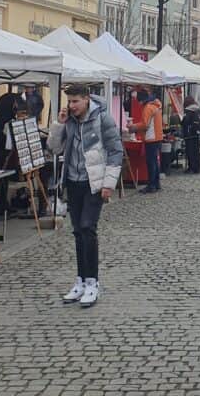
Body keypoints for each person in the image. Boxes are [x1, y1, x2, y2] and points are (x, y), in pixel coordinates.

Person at [48, 86, 123, 308]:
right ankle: (80, 280)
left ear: (86, 100)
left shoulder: (103, 118)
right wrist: (59, 124)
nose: (71, 106)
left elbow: (115, 150)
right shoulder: (69, 121)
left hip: (94, 183)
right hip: (72, 182)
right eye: (69, 102)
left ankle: (93, 282)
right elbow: (54, 148)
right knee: (78, 231)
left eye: (75, 102)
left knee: (88, 228)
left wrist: (109, 184)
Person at [131, 91, 165, 193]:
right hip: (158, 137)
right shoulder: (156, 106)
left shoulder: (148, 108)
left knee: (151, 163)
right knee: (155, 162)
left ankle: (151, 186)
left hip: (151, 138)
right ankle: (156, 184)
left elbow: (145, 124)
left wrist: (134, 127)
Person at [0, 88, 24, 173]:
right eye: (15, 102)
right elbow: (4, 135)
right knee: (1, 173)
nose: (16, 105)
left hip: (4, 151)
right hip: (3, 152)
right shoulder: (5, 117)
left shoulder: (5, 115)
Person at [181, 96, 200, 174]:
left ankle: (191, 168)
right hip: (197, 134)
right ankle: (197, 168)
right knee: (196, 152)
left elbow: (185, 122)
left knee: (190, 152)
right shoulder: (198, 110)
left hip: (190, 134)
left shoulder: (188, 111)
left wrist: (181, 122)